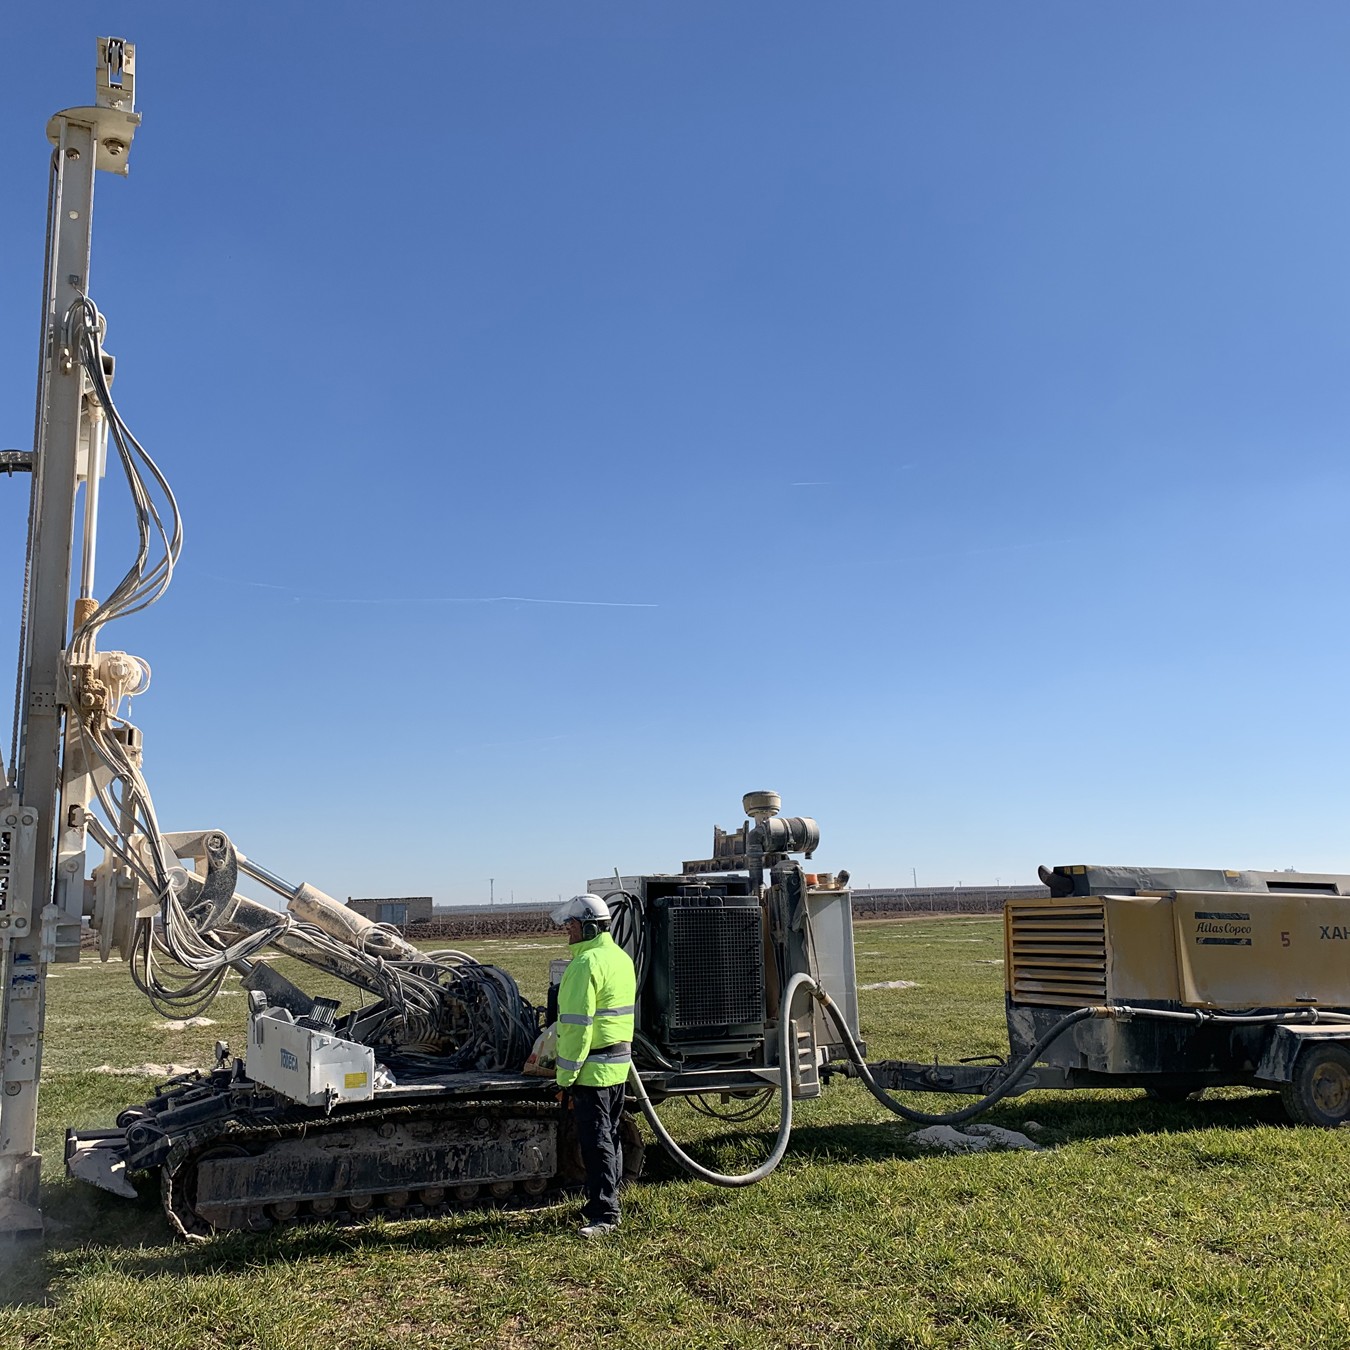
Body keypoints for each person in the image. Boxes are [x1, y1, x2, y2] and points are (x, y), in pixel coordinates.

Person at [551, 893, 636, 1238]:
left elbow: (576, 1027)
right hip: (618, 1065)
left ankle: (606, 1215)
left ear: (587, 928)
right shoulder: (619, 958)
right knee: (610, 1136)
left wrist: (565, 1076)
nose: (566, 932)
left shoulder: (584, 965)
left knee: (596, 1139)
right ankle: (604, 1200)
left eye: (570, 925)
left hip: (593, 1070)